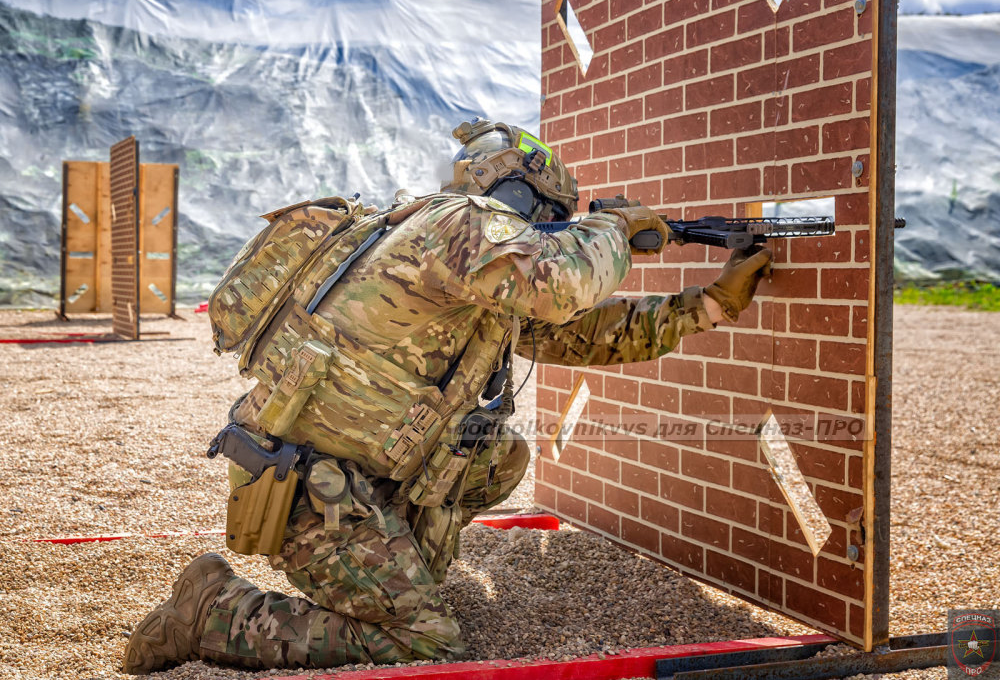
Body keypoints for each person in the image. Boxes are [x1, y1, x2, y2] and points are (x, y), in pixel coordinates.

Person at [122, 118, 771, 673]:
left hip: (353, 478)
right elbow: (563, 281)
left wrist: (709, 305)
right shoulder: (456, 225)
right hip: (306, 489)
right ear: (519, 192)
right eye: (548, 214)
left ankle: (396, 575)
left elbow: (581, 334)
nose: (548, 228)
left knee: (495, 452)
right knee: (424, 639)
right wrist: (611, 229)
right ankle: (212, 610)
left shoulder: (473, 269)